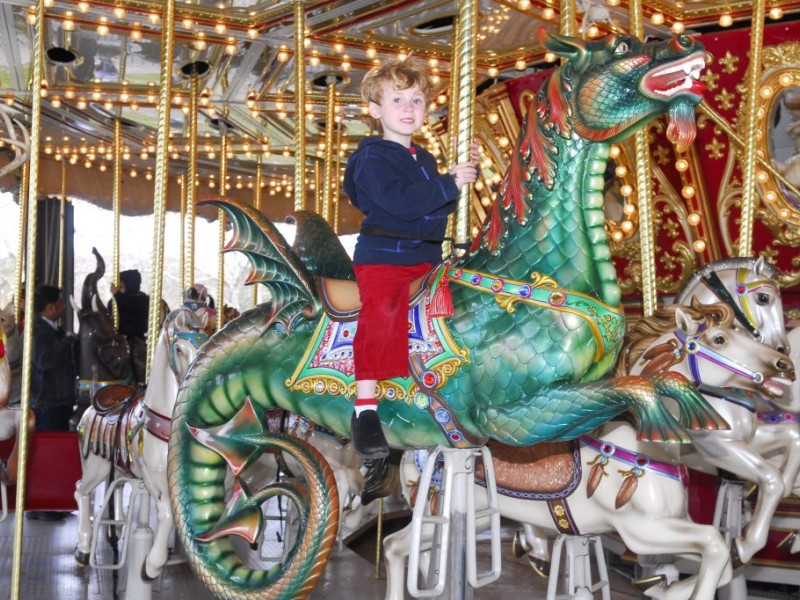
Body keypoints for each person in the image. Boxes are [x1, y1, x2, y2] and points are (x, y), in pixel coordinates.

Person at [342, 57, 478, 459]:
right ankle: (365, 408)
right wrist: (448, 183)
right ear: (374, 109)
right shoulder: (371, 159)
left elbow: (434, 209)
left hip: (427, 258)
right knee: (381, 309)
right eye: (397, 99)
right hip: (385, 258)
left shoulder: (424, 159)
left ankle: (441, 385)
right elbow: (401, 204)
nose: (408, 108)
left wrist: (460, 179)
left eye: (416, 100)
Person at [30, 285, 75, 431]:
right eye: (61, 302)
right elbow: (45, 360)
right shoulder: (36, 330)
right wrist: (67, 343)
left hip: (58, 400)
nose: (65, 305)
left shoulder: (52, 329)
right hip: (48, 402)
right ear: (51, 308)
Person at [108, 269, 150, 341]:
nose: (118, 289)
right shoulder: (117, 300)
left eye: (121, 286)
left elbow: (131, 306)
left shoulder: (142, 298)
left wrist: (117, 294)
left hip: (135, 341)